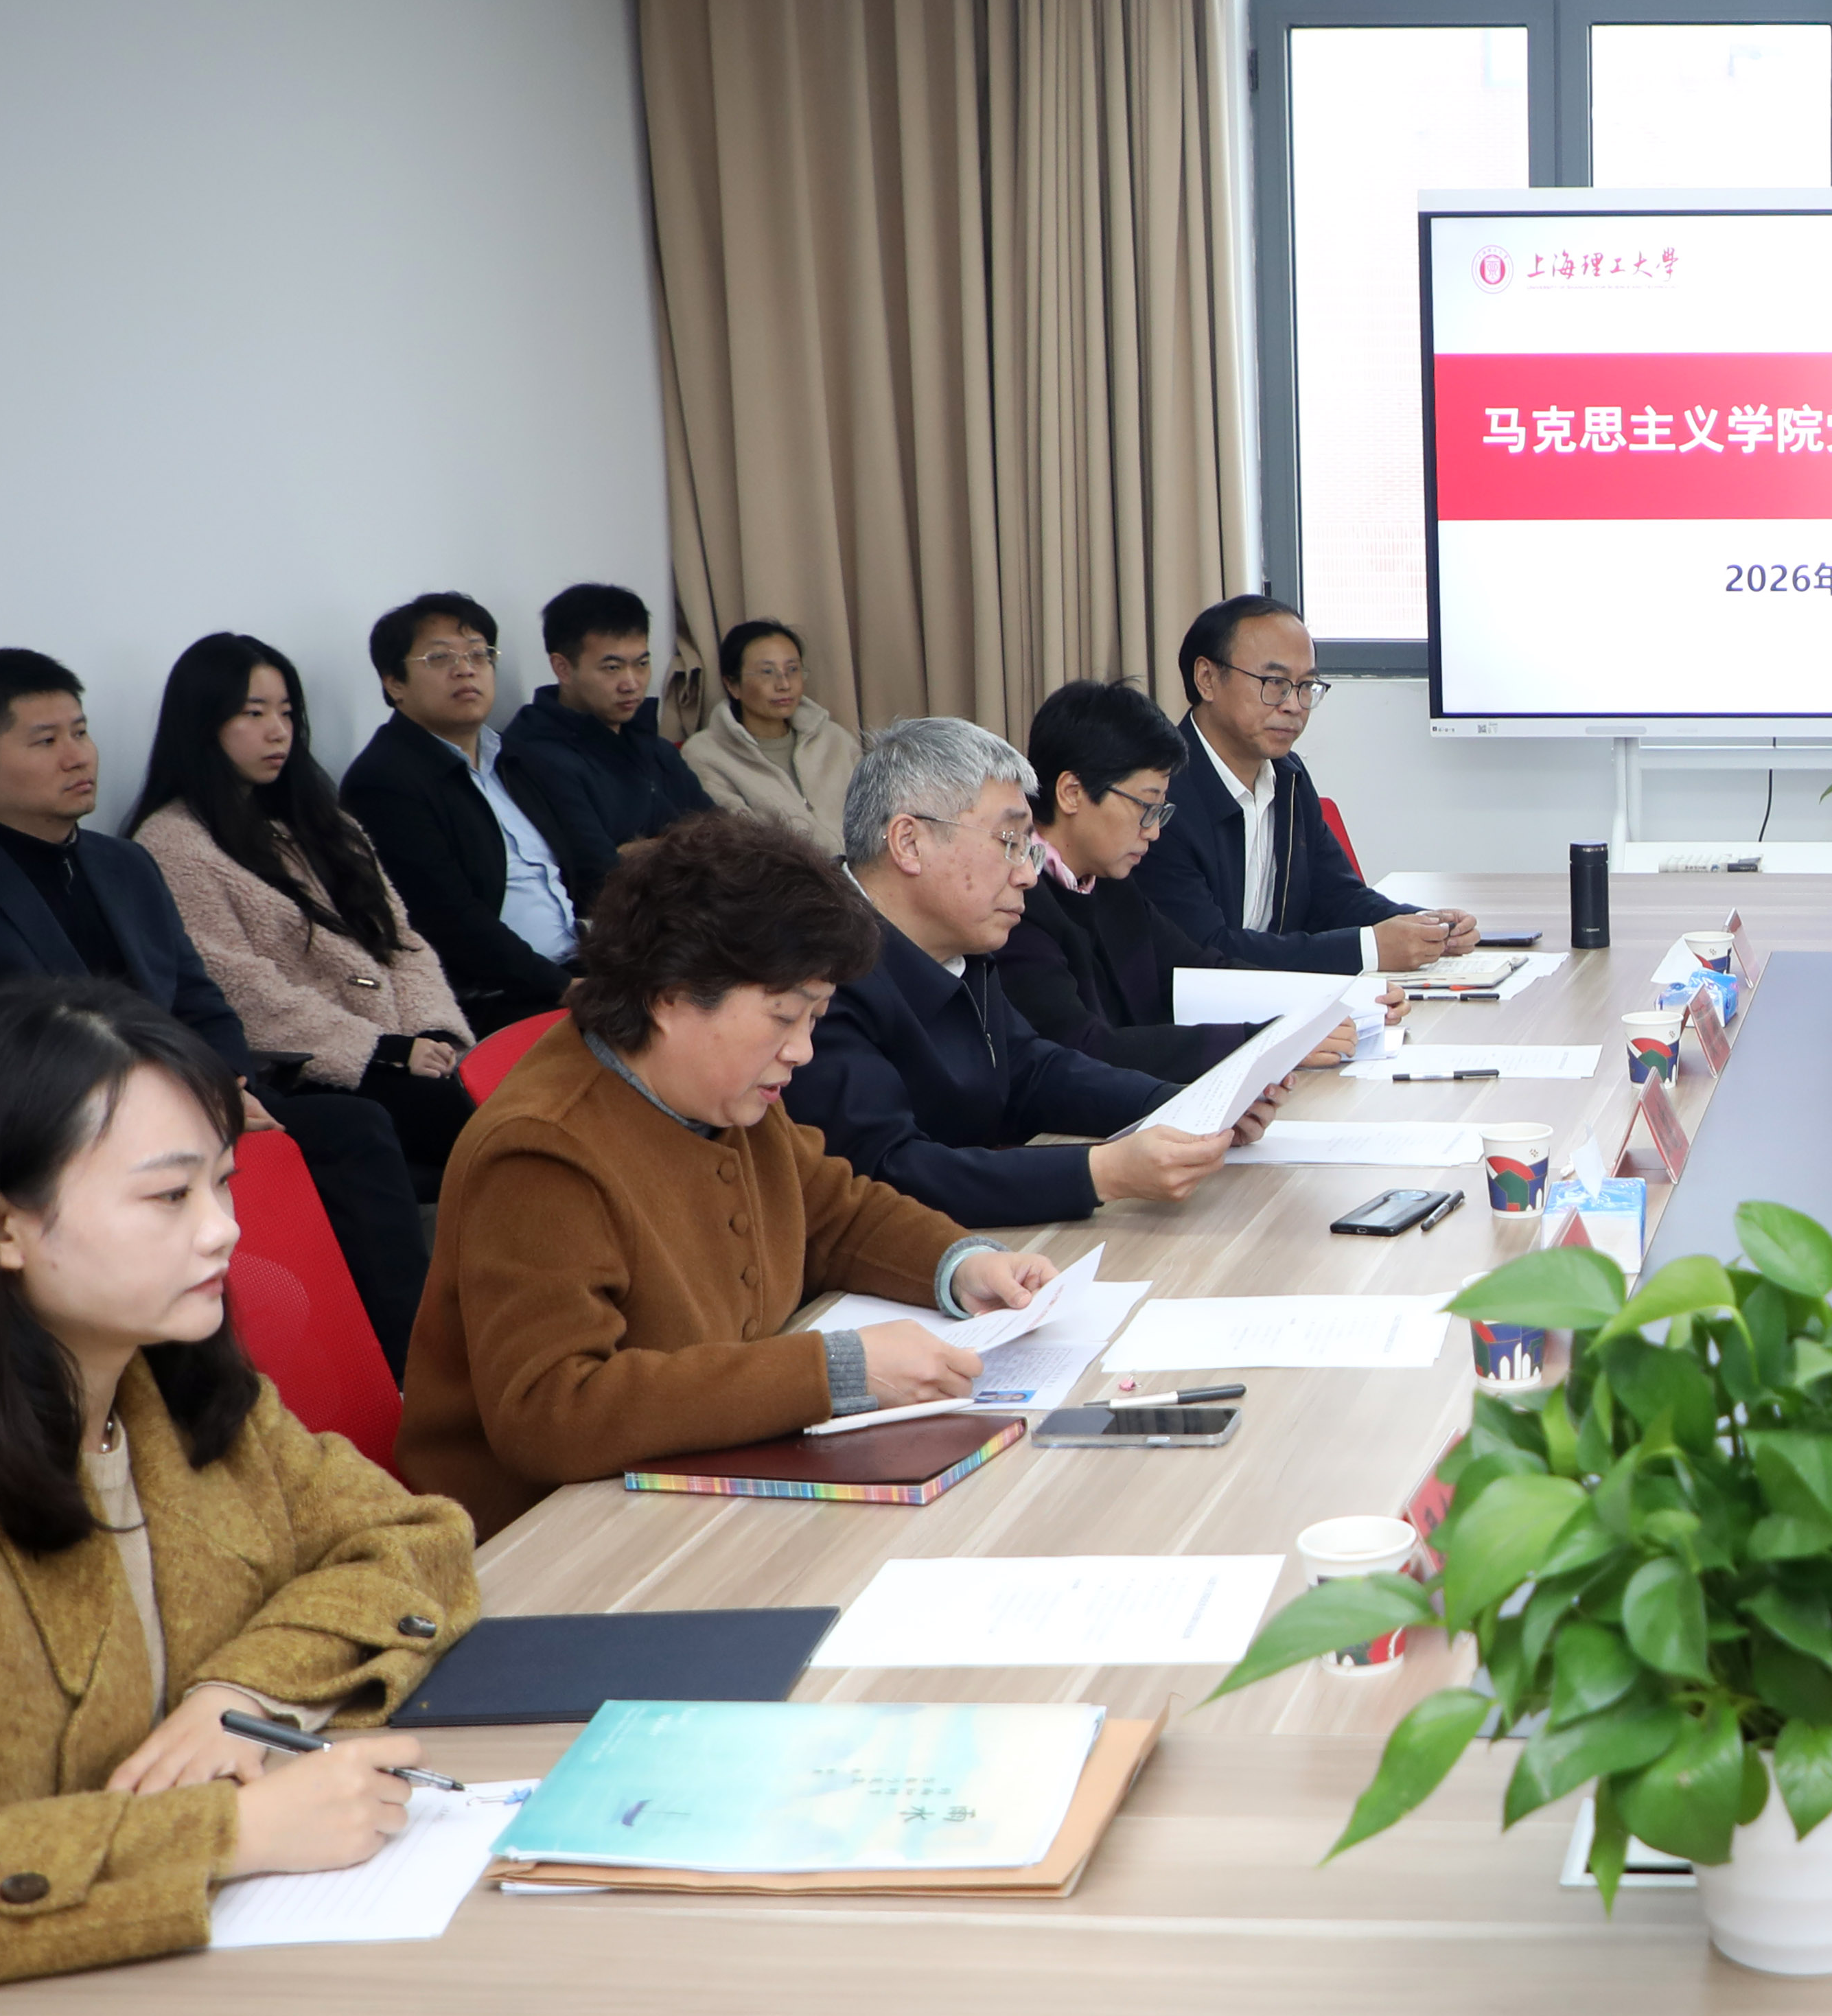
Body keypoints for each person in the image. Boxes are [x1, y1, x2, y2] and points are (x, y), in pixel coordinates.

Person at [0, 984, 475, 2016]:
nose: (225, 1227)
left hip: (146, 1992)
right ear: (1, 1225)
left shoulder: (171, 1390)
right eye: (169, 1195)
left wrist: (241, 1690)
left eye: (223, 1182)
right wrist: (223, 1831)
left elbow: (415, 1537)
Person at [398, 816, 1057, 1538]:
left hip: (705, 1488)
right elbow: (554, 1410)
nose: (802, 1050)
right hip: (558, 1540)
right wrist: (834, 1371)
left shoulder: (722, 1091)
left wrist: (959, 1264)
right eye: (784, 1017)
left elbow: (831, 1213)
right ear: (671, 995)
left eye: (815, 1018)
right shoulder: (540, 1152)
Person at [0, 652, 429, 1374]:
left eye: (81, 731)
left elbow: (200, 998)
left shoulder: (124, 864)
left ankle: (414, 1368)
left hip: (190, 1101)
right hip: (75, 1138)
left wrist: (226, 1083)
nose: (78, 756)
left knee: (356, 1129)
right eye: (46, 740)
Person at [796, 720, 1270, 1229]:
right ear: (909, 843)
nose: (1026, 874)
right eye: (1009, 842)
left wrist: (1181, 1105)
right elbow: (888, 1171)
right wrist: (1101, 1173)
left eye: (1029, 848)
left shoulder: (959, 943)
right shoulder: (816, 974)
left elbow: (1030, 1070)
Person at [127, 635, 479, 1185]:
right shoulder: (173, 843)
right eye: (254, 713)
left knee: (504, 1092)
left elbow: (401, 938)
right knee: (482, 1129)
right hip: (316, 1066)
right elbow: (241, 989)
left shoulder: (325, 821)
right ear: (202, 724)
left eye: (287, 712)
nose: (278, 731)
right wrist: (383, 1049)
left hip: (406, 1045)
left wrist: (431, 1030)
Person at [1129, 594, 1474, 975]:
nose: (1294, 705)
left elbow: (1335, 897)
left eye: (1306, 685)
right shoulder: (1160, 795)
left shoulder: (1288, 776)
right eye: (1275, 682)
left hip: (1279, 997)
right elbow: (1204, 952)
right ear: (1207, 679)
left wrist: (1424, 926)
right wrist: (1368, 950)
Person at [338, 593, 592, 1036]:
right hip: (494, 998)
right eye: (440, 658)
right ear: (394, 683)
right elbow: (449, 920)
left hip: (579, 967)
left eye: (479, 654)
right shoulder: (384, 781)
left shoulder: (516, 760)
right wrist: (564, 987)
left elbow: (586, 865)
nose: (466, 669)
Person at [1008, 681, 1271, 1082]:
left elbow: (1200, 970)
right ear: (1072, 792)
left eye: (1160, 811)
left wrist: (1319, 1005)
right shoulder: (1016, 900)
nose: (1154, 831)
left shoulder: (1110, 883)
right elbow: (1083, 1049)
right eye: (1146, 807)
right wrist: (1256, 1041)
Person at [497, 582, 715, 909]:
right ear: (562, 668)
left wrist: (640, 849)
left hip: (697, 904)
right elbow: (600, 875)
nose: (632, 683)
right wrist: (681, 843)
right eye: (612, 668)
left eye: (642, 664)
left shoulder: (653, 745)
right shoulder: (538, 754)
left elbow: (723, 833)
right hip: (628, 921)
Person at [683, 617, 859, 857]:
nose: (784, 684)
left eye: (793, 670)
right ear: (732, 685)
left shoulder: (836, 740)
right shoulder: (705, 755)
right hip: (788, 877)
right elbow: (739, 845)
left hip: (866, 871)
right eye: (767, 672)